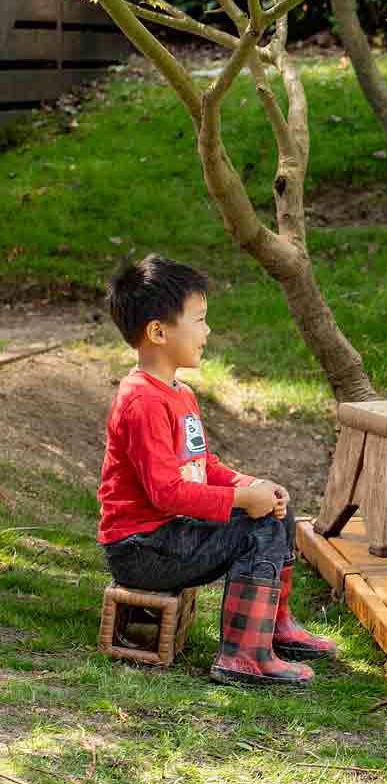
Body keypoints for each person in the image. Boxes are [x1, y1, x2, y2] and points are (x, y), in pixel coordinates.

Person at [98, 255, 335, 688]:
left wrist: (250, 486)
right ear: (158, 331)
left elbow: (201, 466)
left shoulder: (178, 393)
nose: (208, 332)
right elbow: (165, 494)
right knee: (255, 529)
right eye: (201, 320)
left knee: (278, 505)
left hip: (171, 533)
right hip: (142, 549)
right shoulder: (141, 402)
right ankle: (244, 657)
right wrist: (242, 501)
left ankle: (272, 626)